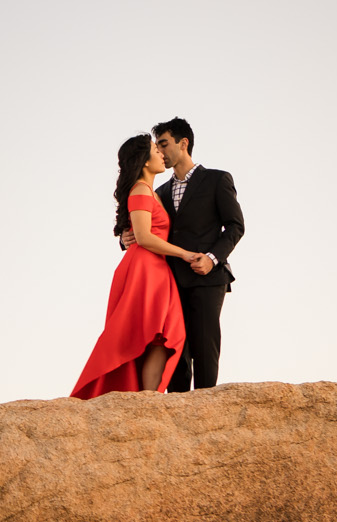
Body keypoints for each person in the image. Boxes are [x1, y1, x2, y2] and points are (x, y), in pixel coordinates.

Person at [71, 134, 193, 398]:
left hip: (156, 270)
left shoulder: (152, 192)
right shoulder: (140, 189)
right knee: (154, 335)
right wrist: (185, 254)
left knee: (162, 337)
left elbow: (140, 234)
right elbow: (145, 237)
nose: (161, 154)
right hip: (144, 270)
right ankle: (145, 399)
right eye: (155, 150)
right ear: (144, 161)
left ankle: (148, 399)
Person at [150, 117, 243, 391]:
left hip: (208, 278)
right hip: (171, 281)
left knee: (204, 346)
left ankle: (206, 409)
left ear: (184, 143)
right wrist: (124, 237)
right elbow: (147, 227)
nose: (160, 152)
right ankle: (177, 413)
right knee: (175, 349)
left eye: (164, 144)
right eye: (157, 147)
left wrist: (211, 259)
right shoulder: (160, 192)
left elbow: (236, 226)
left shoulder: (217, 179)